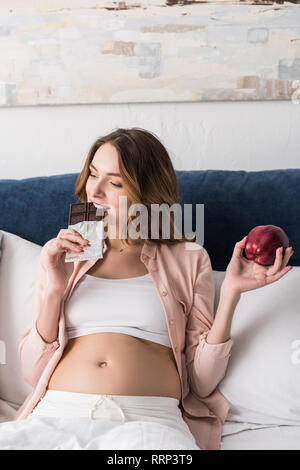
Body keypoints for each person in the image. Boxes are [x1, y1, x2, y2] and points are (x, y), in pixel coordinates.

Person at [1, 128, 293, 451]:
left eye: (114, 183)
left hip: (147, 422)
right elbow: (32, 371)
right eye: (92, 175)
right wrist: (54, 290)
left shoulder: (188, 258)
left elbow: (201, 381)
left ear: (148, 196)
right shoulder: (62, 254)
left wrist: (231, 294)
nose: (94, 191)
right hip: (56, 415)